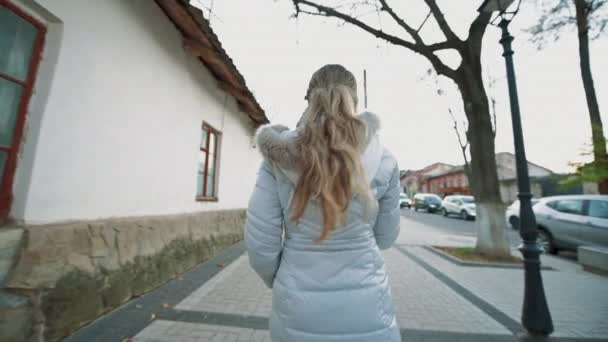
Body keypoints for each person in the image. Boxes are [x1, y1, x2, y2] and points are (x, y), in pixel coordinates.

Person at [245, 64, 401, 342]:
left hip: (297, 309)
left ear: (308, 99)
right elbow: (387, 237)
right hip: (368, 308)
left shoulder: (276, 159)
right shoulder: (384, 159)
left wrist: (283, 280)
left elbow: (261, 247)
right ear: (354, 100)